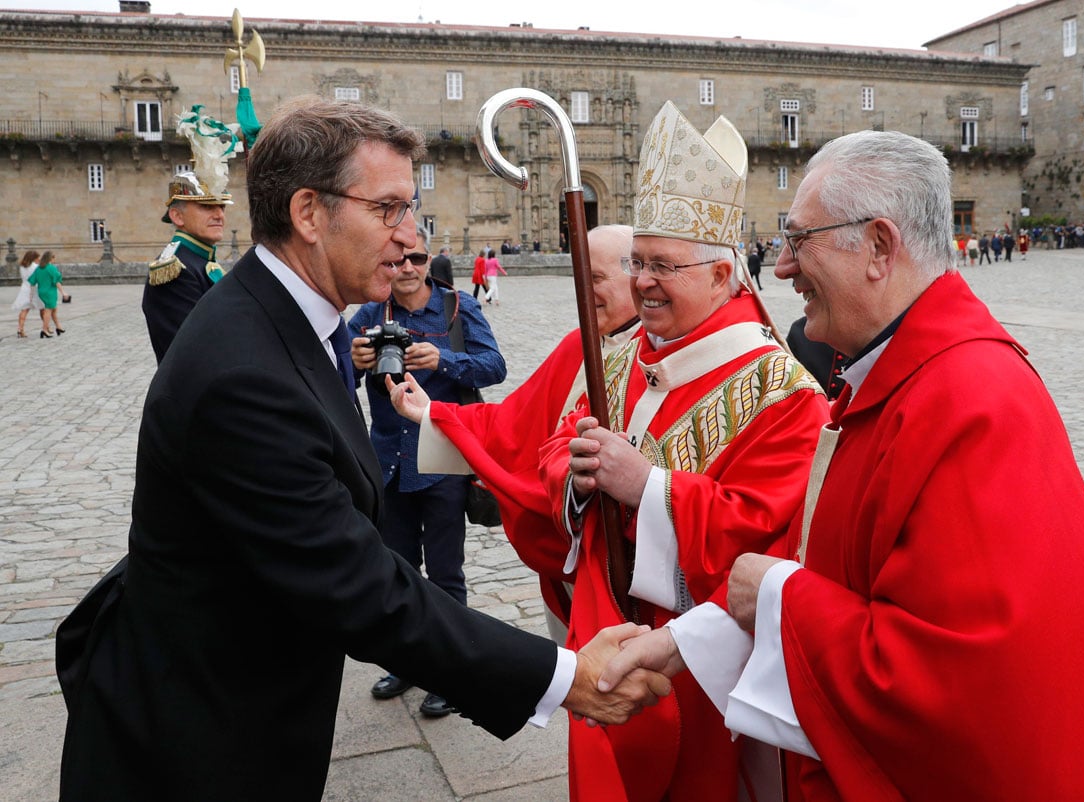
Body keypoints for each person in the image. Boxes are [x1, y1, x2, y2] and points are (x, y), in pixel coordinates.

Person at [55, 97, 671, 802]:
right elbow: (356, 584)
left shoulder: (286, 320)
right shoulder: (243, 372)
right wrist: (564, 677)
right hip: (197, 739)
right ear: (309, 213)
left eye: (410, 209)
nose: (409, 236)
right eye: (388, 209)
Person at [602, 129, 1084, 801]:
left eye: (799, 240)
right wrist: (686, 642)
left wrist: (778, 596)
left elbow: (952, 678)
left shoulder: (970, 399)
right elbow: (834, 570)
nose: (780, 268)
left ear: (878, 247)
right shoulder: (897, 375)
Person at [537, 102, 828, 801]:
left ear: (723, 275)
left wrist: (648, 488)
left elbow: (769, 535)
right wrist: (578, 475)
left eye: (663, 265)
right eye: (637, 263)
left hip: (698, 658)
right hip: (604, 624)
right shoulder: (617, 358)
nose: (642, 281)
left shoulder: (782, 391)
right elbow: (557, 443)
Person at [390, 224, 640, 646]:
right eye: (580, 278)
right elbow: (513, 422)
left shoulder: (664, 352)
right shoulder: (578, 345)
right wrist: (433, 413)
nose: (584, 292)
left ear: (638, 276)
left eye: (596, 279)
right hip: (570, 551)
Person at [348, 225, 506, 717]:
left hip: (442, 461)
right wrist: (352, 362)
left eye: (416, 258)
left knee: (445, 572)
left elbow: (494, 366)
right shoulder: (371, 312)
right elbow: (329, 375)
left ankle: (451, 672)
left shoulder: (457, 307)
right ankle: (408, 663)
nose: (407, 268)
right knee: (397, 572)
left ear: (428, 259)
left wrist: (445, 360)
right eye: (398, 260)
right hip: (389, 463)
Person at [143, 172, 230, 363]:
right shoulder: (176, 271)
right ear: (177, 216)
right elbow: (197, 351)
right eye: (207, 206)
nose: (219, 215)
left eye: (222, 206)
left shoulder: (199, 261)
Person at [28, 250, 65, 337]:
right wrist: (63, 292)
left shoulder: (38, 268)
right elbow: (57, 281)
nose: (54, 260)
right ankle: (44, 330)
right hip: (50, 292)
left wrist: (31, 294)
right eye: (54, 258)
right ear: (50, 258)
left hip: (42, 291)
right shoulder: (51, 268)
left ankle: (58, 327)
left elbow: (32, 282)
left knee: (54, 309)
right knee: (48, 311)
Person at [10, 249, 43, 338]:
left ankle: (20, 329)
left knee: (24, 310)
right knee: (42, 308)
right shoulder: (35, 267)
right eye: (37, 258)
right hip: (34, 288)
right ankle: (46, 327)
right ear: (33, 258)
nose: (39, 259)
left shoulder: (22, 266)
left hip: (24, 288)